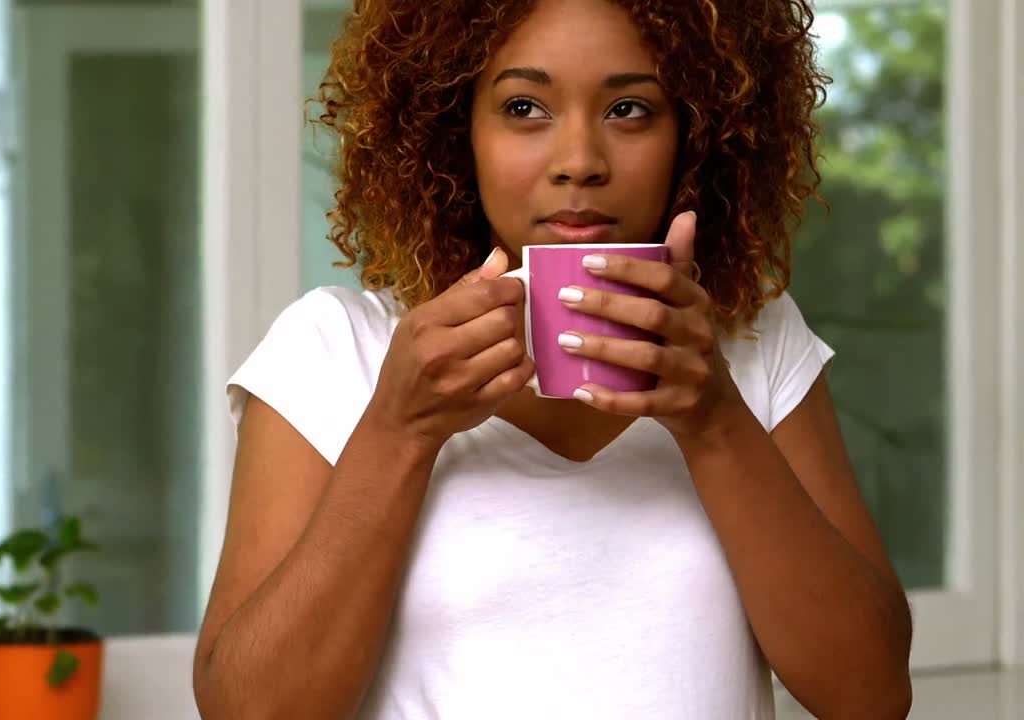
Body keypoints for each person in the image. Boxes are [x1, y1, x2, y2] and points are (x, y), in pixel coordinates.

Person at [192, 0, 914, 717]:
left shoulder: (752, 341)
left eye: (629, 109)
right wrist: (399, 431)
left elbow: (871, 696)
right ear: (454, 131)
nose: (579, 163)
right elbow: (247, 710)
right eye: (525, 107)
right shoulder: (332, 349)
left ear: (695, 137)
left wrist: (715, 421)